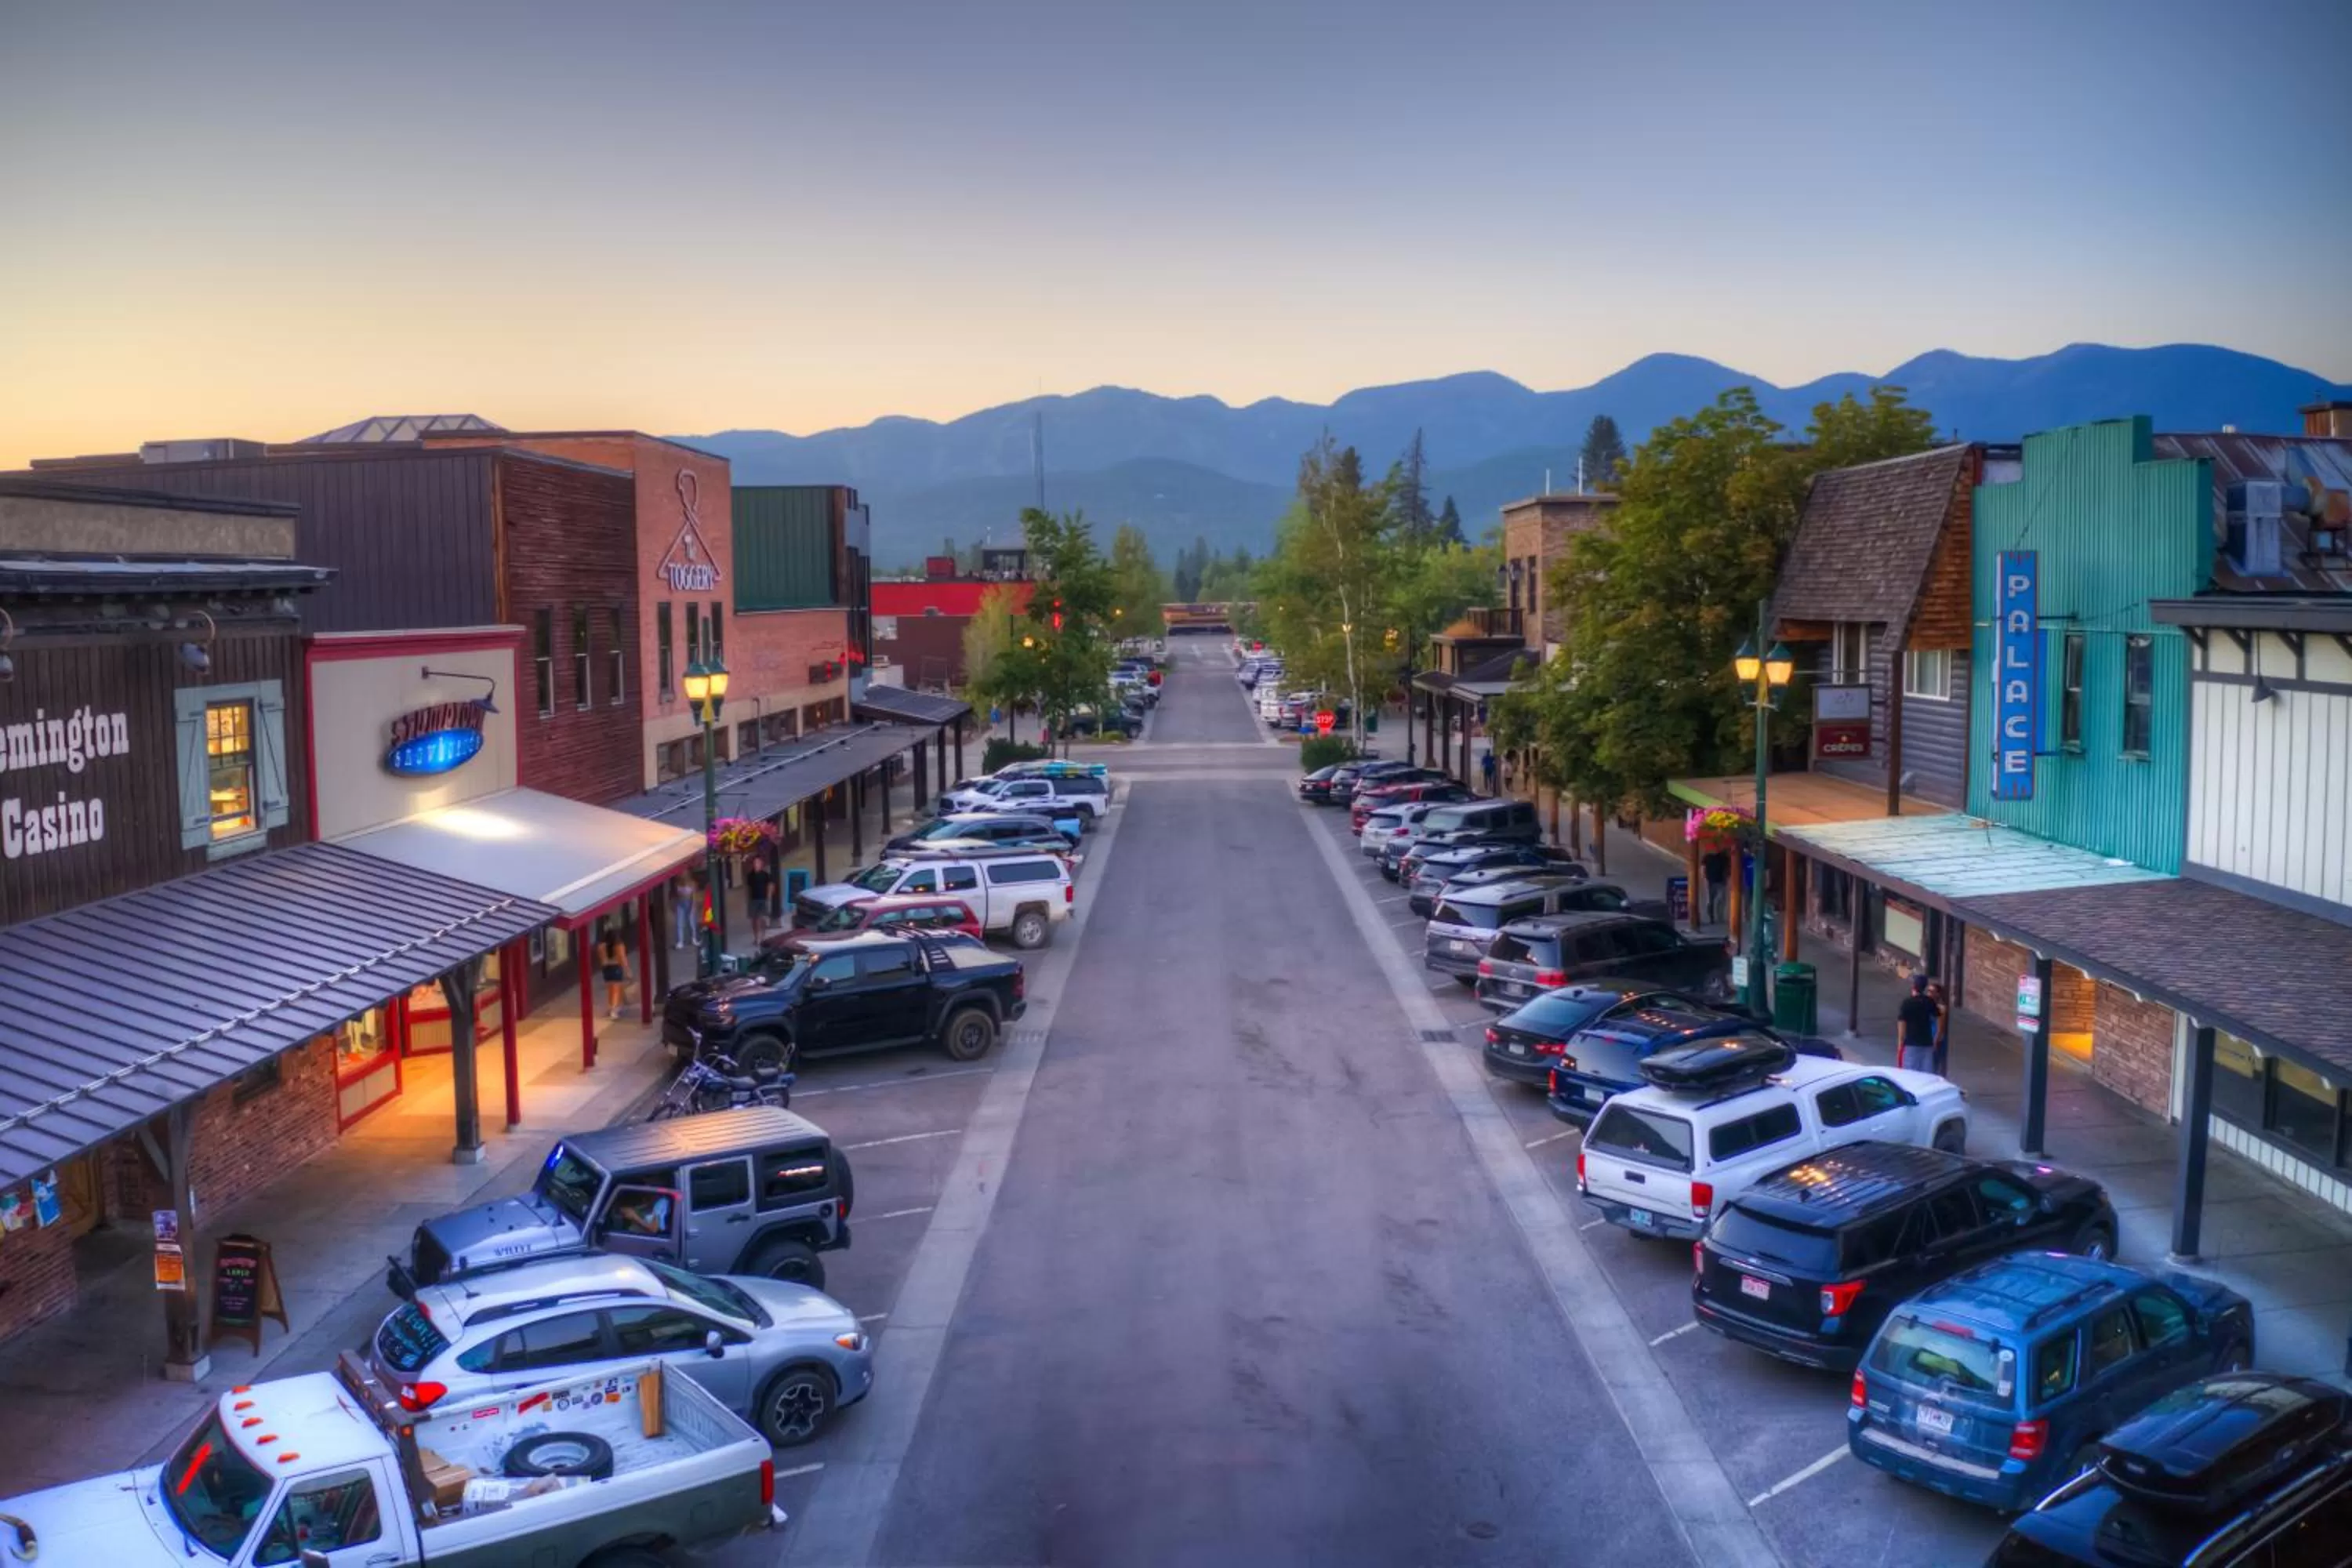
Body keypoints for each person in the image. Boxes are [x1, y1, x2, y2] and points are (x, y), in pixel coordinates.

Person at [1896, 974, 1940, 1073]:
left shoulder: (1907, 1003)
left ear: (1914, 986)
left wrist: (1900, 1044)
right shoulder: (1929, 1002)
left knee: (1910, 1073)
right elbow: (1937, 1016)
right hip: (1927, 1042)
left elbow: (1902, 1024)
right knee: (1927, 1073)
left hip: (1911, 1043)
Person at [597, 927, 630, 1021]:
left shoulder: (601, 946)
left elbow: (602, 960)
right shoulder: (619, 945)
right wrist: (627, 970)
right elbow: (622, 958)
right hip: (616, 967)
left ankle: (611, 1006)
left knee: (610, 990)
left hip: (606, 969)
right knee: (616, 990)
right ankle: (614, 1010)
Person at [746, 855, 775, 942]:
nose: (756, 865)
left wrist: (769, 896)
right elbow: (748, 888)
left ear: (761, 864)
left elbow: (771, 885)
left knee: (761, 919)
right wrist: (747, 899)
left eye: (758, 863)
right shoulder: (750, 875)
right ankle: (756, 937)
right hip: (753, 900)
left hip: (763, 899)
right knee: (754, 920)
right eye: (755, 863)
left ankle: (762, 937)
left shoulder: (765, 875)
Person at [1926, 979, 1951, 1076]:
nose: (1929, 994)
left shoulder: (1941, 1008)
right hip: (1928, 1036)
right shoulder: (1927, 1005)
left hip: (1936, 1038)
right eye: (1928, 991)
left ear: (1938, 994)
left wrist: (1935, 1042)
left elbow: (1940, 1028)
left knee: (1934, 1065)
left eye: (1932, 991)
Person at [1700, 848, 1730, 925]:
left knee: (1717, 900)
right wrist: (1704, 877)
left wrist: (1726, 877)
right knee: (1713, 900)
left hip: (1717, 881)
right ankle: (1713, 917)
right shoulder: (1708, 857)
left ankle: (1717, 917)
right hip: (1712, 881)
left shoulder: (1724, 858)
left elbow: (1727, 869)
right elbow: (1703, 868)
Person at [670, 873, 694, 951]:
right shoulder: (676, 884)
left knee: (691, 922)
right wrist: (673, 905)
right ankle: (680, 941)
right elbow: (672, 895)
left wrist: (693, 905)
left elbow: (694, 895)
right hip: (680, 903)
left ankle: (693, 938)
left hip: (689, 902)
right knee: (679, 923)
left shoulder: (692, 883)